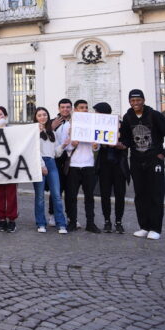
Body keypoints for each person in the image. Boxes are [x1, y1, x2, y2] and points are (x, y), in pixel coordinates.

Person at [120, 89, 165, 241]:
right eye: (132, 101)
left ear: (143, 100)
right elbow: (127, 139)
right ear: (129, 102)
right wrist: (121, 145)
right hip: (136, 161)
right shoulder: (128, 117)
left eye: (138, 100)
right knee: (140, 194)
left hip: (154, 160)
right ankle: (144, 227)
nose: (135, 103)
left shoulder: (155, 115)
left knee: (156, 194)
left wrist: (164, 153)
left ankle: (155, 228)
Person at [63, 99, 101, 233]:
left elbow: (97, 146)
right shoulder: (68, 126)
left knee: (89, 196)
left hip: (88, 164)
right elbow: (64, 146)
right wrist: (71, 145)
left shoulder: (92, 125)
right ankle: (72, 222)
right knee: (71, 196)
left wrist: (96, 146)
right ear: (75, 110)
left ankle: (90, 223)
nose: (84, 110)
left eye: (86, 107)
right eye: (81, 107)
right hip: (73, 165)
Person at [93, 102, 129, 234]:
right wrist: (96, 145)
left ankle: (118, 222)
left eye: (97, 112)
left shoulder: (120, 124)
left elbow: (127, 142)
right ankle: (107, 221)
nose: (96, 115)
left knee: (120, 194)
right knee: (105, 194)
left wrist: (120, 145)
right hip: (104, 164)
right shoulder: (97, 125)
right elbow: (95, 144)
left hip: (119, 164)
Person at [33, 107, 68, 234]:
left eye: (44, 115)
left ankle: (61, 223)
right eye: (39, 115)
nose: (42, 117)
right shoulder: (34, 132)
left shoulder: (51, 132)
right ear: (36, 118)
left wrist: (64, 145)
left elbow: (56, 153)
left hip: (52, 163)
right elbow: (35, 151)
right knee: (40, 196)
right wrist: (42, 166)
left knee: (57, 195)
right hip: (39, 163)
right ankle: (41, 223)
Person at [0, 106, 19, 233]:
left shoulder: (13, 131)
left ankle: (12, 220)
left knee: (11, 194)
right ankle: (2, 219)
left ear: (5, 116)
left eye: (0, 114)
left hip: (11, 167)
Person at [49, 98, 72, 226]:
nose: (65, 109)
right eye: (62, 107)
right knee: (56, 189)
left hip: (70, 159)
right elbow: (44, 137)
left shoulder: (75, 121)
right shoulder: (53, 122)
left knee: (70, 189)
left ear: (71, 108)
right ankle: (52, 215)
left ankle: (70, 215)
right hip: (56, 159)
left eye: (68, 107)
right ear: (59, 108)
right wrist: (50, 128)